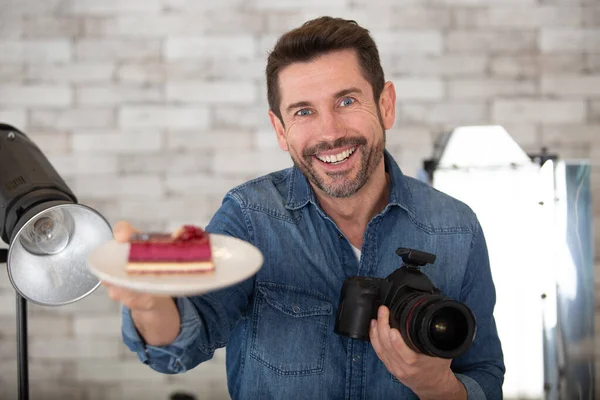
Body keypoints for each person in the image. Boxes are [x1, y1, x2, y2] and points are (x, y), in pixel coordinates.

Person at [105, 16, 505, 400]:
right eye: (303, 112)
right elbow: (183, 342)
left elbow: (485, 376)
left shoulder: (457, 227)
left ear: (386, 105)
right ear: (281, 129)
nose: (329, 132)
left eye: (346, 100)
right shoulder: (249, 217)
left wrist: (438, 388)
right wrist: (149, 301)